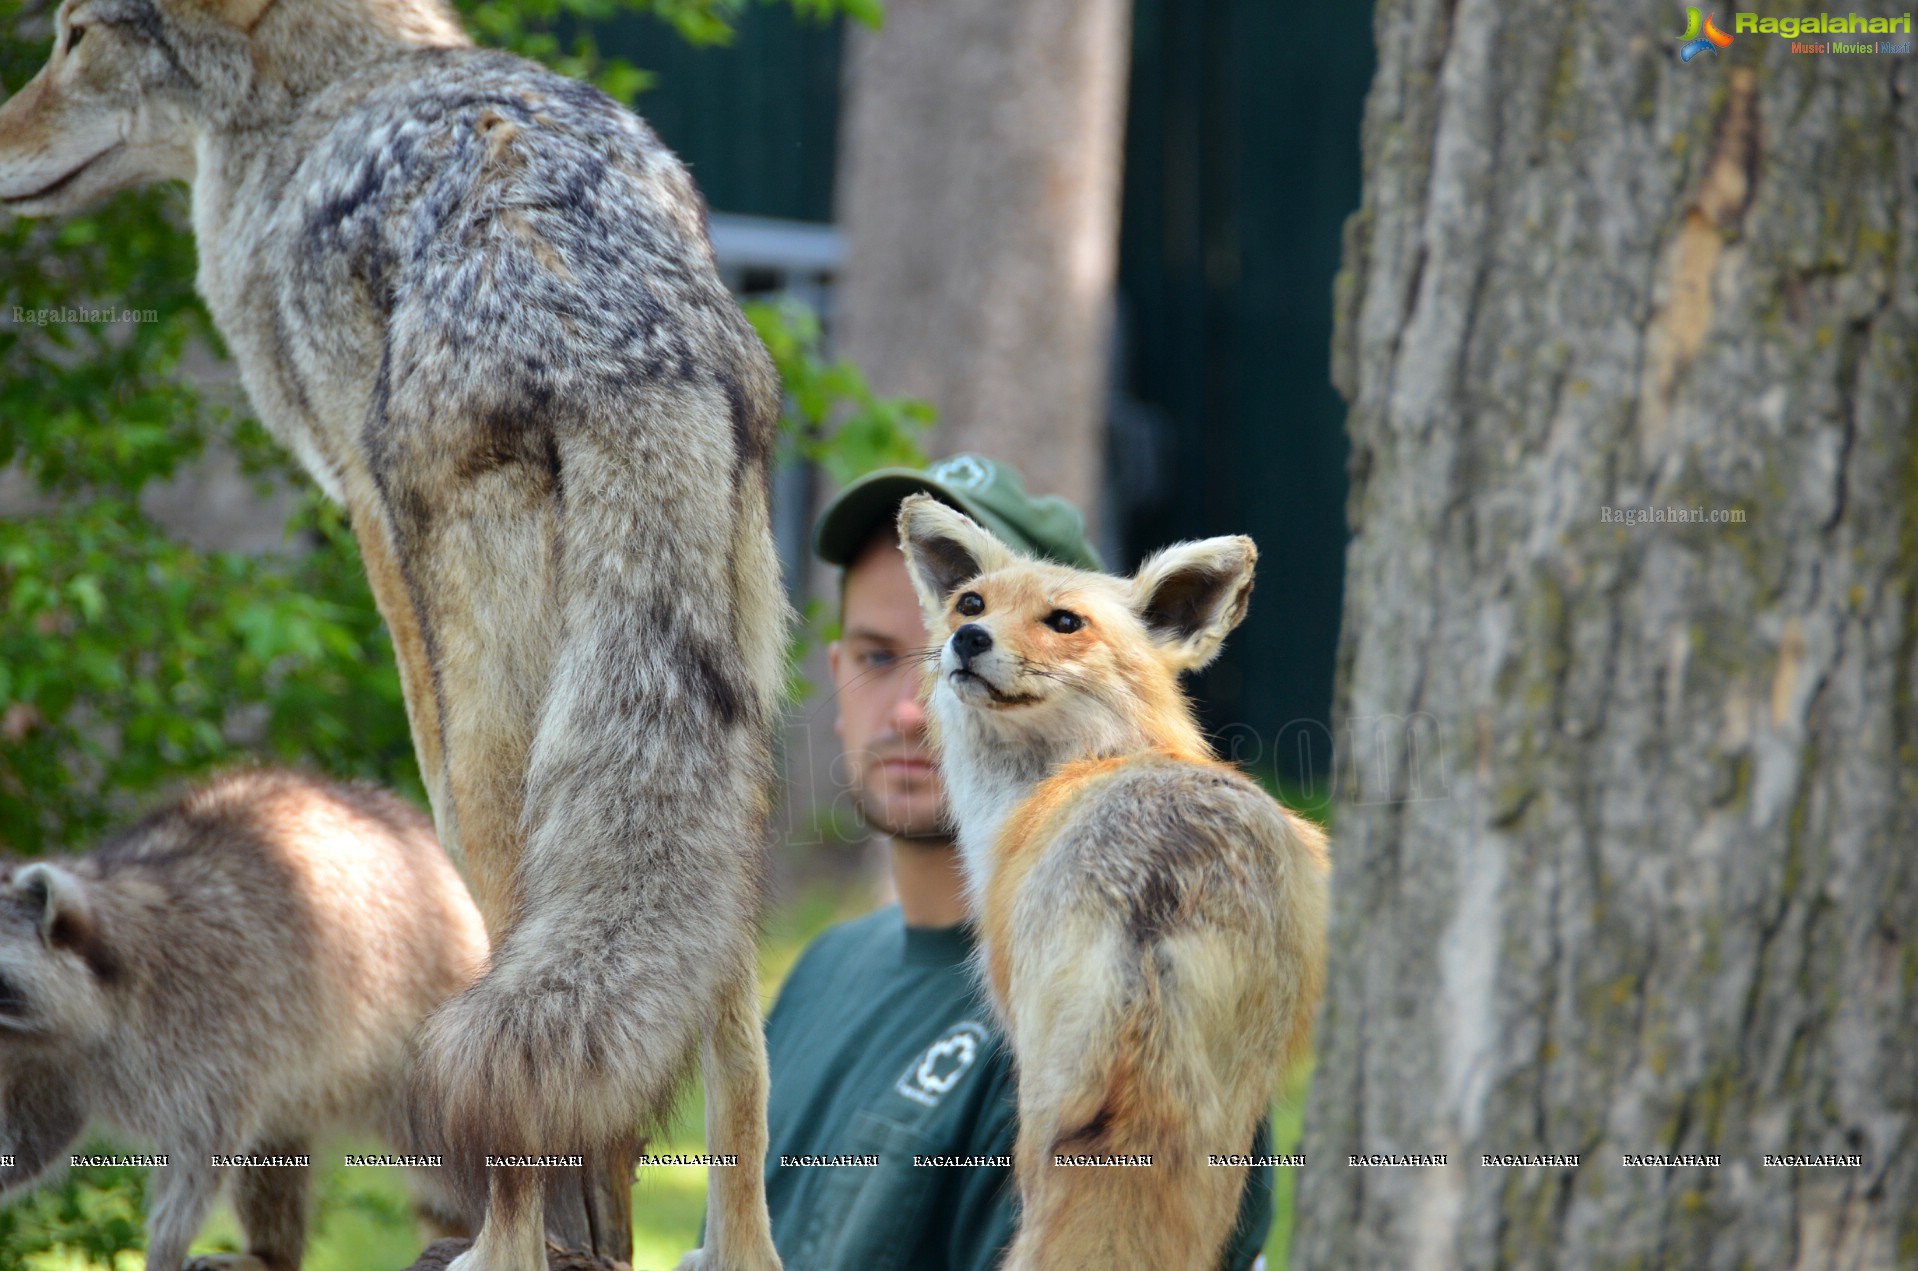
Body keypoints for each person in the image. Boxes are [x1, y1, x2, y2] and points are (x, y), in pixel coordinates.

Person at [755, 453, 1276, 1269]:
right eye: (878, 654)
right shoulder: (825, 967)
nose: (911, 701)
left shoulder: (1127, 973)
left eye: (1055, 622)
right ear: (834, 671)